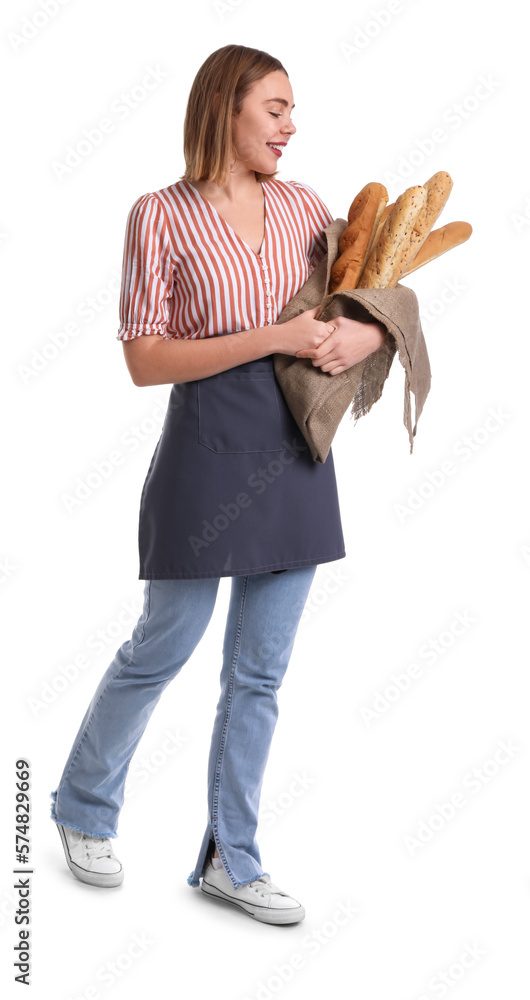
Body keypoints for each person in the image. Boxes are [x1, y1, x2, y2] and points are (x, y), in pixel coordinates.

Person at [50, 44, 386, 925]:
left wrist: (368, 339)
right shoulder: (160, 216)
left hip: (296, 453)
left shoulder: (306, 208)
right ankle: (83, 808)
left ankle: (230, 859)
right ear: (223, 108)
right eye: (275, 107)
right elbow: (142, 358)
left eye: (292, 109)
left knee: (260, 674)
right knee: (166, 641)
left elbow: (363, 303)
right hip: (208, 447)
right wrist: (271, 339)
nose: (290, 125)